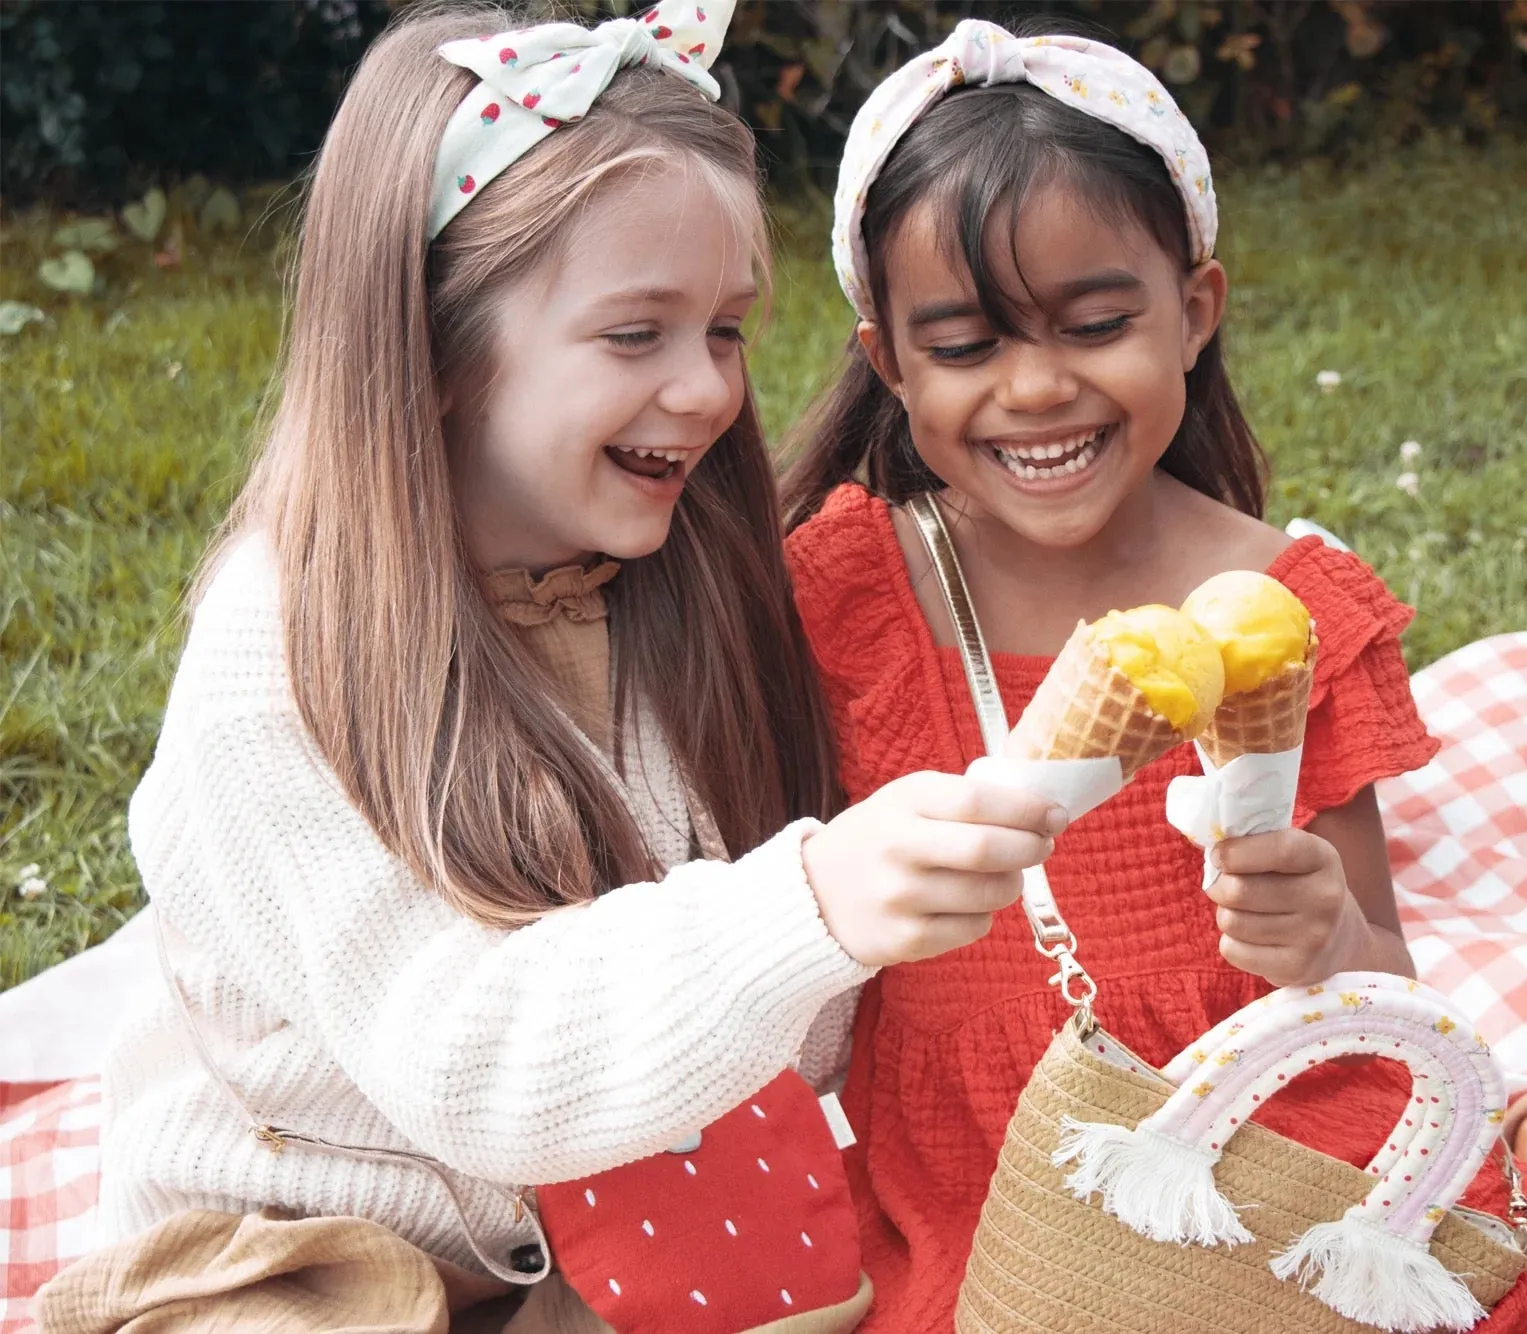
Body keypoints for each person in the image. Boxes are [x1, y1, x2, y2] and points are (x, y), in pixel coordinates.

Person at [33, 5, 1066, 1329]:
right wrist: (812, 897)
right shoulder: (275, 654)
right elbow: (469, 1059)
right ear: (441, 345)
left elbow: (780, 1039)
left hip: (591, 1236)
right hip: (287, 1248)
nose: (704, 390)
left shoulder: (676, 583)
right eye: (636, 335)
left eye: (727, 329)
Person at [781, 19, 1527, 1333]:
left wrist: (1332, 935)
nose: (1037, 385)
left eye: (1095, 322)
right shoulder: (847, 592)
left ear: (1194, 313)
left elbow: (1380, 964)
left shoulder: (1293, 608)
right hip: (998, 1174)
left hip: (1302, 1129)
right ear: (889, 363)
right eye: (966, 346)